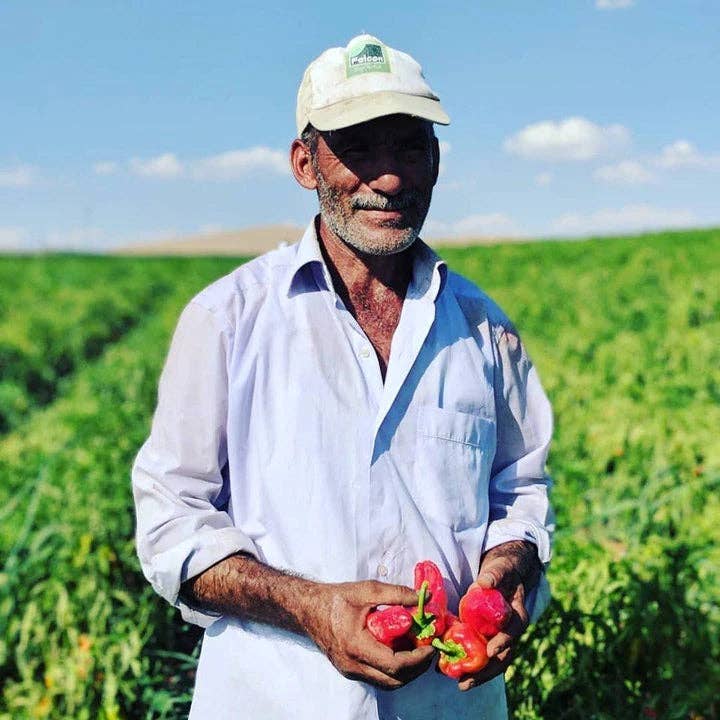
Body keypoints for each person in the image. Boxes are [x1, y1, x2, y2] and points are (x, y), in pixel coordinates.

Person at [132, 33, 554, 720]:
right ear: (305, 164)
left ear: (436, 160)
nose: (389, 178)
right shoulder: (229, 320)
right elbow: (171, 520)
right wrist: (309, 608)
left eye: (410, 147)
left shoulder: (485, 331)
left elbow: (521, 492)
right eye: (359, 149)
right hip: (275, 701)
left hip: (445, 704)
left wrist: (508, 575)